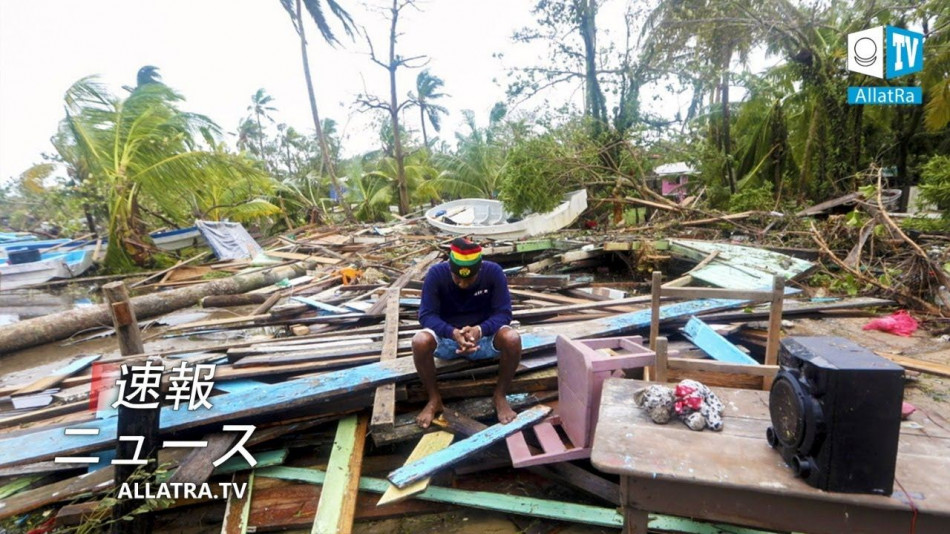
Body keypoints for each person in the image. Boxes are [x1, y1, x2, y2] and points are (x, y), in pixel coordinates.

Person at [412, 237, 522, 428]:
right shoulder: (436, 274)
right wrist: (452, 332)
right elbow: (426, 315)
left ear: (479, 270)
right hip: (448, 340)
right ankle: (434, 398)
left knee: (513, 339)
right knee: (419, 341)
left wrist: (480, 330)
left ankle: (500, 395)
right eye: (457, 279)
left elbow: (504, 313)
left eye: (469, 280)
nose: (462, 284)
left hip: (485, 338)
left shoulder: (494, 272)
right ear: (450, 269)